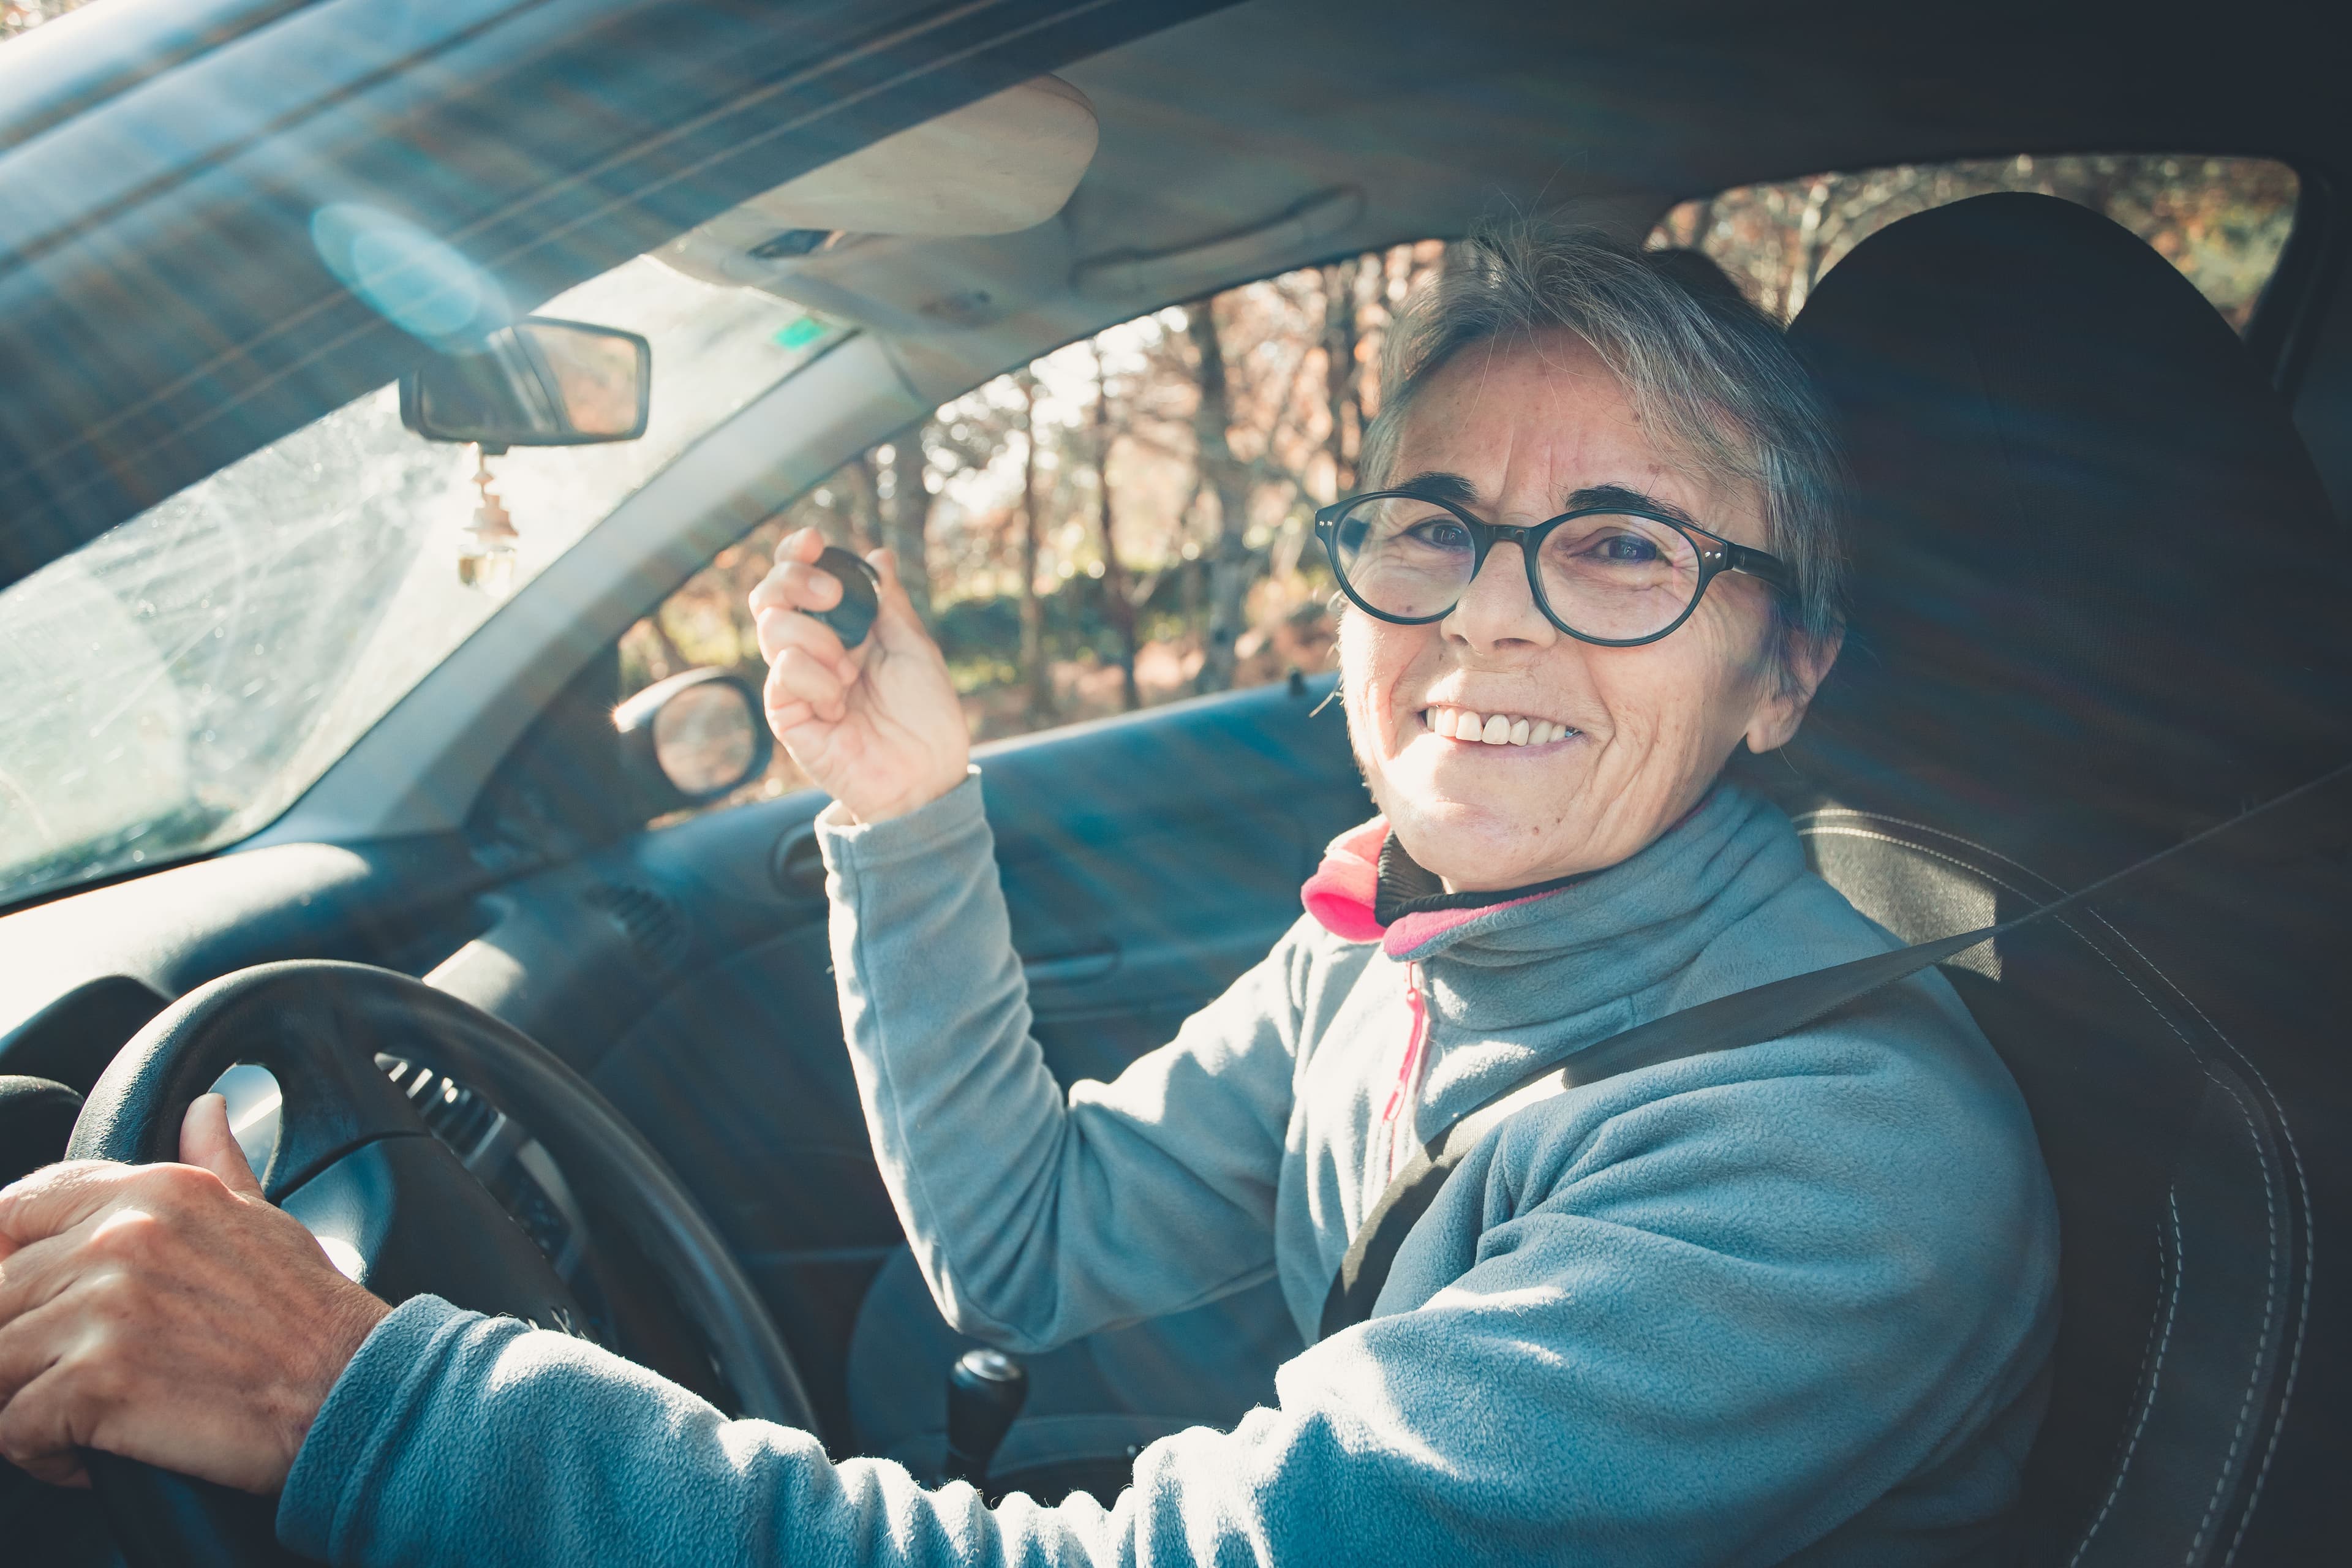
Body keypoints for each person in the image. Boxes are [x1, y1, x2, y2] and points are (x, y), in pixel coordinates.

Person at [0, 225, 2058, 1565]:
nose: (1487, 623)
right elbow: (1030, 1249)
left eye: (1621, 551)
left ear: (1785, 669)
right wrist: (904, 809)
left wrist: (349, 1393)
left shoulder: (1827, 1160)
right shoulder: (1409, 933)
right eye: (1435, 527)